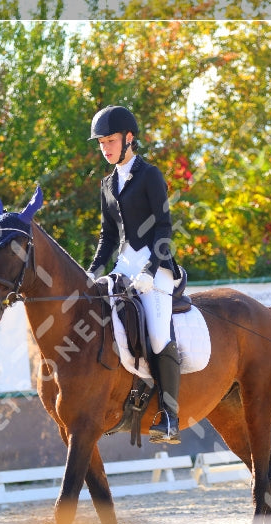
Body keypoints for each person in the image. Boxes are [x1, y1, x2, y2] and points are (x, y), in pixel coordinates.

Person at [85, 105, 181, 444]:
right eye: (101, 143)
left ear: (128, 139)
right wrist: (92, 272)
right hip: (123, 266)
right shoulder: (107, 184)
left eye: (110, 140)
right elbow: (108, 237)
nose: (105, 148)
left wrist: (151, 269)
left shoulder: (150, 175)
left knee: (156, 336)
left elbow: (164, 228)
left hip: (156, 266)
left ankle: (170, 416)